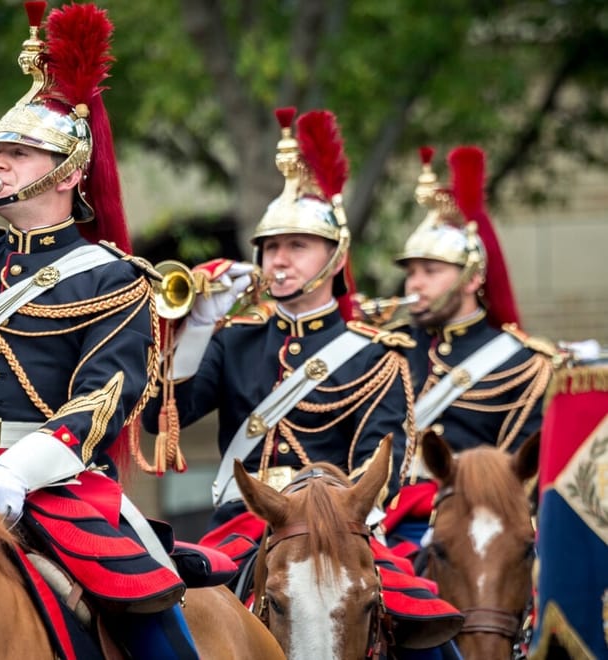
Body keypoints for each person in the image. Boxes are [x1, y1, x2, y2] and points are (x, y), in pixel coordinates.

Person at [144, 107, 465, 654]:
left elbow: (377, 463)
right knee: (174, 612)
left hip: (340, 527)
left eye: (297, 246)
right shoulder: (234, 338)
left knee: (424, 626)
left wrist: (336, 512)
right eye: (271, 248)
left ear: (334, 258)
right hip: (245, 521)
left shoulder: (376, 354)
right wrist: (197, 327)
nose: (280, 260)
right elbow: (161, 417)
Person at [0, 4, 200, 658]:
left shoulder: (111, 279)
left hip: (43, 481)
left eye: (19, 152)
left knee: (146, 604)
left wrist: (15, 472)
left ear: (69, 172)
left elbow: (98, 404)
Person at [381, 145, 559, 550]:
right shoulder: (389, 350)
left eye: (431, 271)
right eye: (410, 272)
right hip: (384, 522)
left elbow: (525, 471)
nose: (415, 284)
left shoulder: (523, 362)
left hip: (474, 528)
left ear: (472, 279)